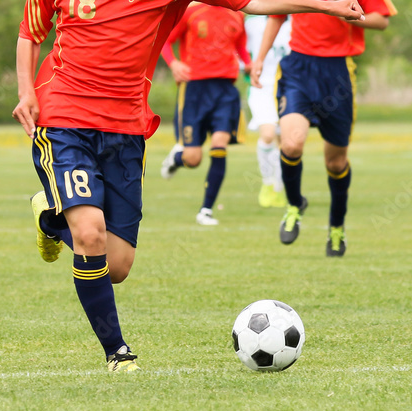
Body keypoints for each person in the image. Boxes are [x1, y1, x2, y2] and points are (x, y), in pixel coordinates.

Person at [12, 0, 365, 372]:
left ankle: (52, 219)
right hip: (63, 119)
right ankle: (117, 352)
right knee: (89, 235)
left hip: (126, 128)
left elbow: (252, 3)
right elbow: (30, 32)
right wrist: (26, 91)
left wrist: (325, 5)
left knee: (115, 267)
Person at [250, 0, 396, 257]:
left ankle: (336, 227)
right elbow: (276, 15)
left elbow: (382, 20)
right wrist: (259, 58)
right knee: (291, 144)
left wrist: (351, 17)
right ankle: (295, 205)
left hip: (338, 73)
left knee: (336, 163)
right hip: (299, 69)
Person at [159, 3, 253, 226]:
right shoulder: (191, 10)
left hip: (225, 91)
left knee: (220, 144)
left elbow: (240, 45)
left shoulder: (238, 14)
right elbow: (165, 40)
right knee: (193, 159)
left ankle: (206, 210)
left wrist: (249, 63)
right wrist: (174, 65)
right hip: (195, 90)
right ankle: (177, 158)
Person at [245, 14, 293, 208]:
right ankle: (267, 183)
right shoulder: (252, 24)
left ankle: (279, 188)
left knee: (288, 143)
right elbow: (242, 49)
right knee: (267, 134)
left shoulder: (297, 22)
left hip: (290, 87)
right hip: (261, 87)